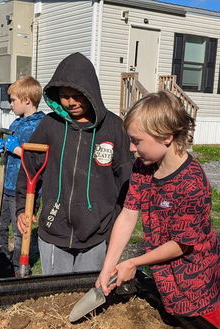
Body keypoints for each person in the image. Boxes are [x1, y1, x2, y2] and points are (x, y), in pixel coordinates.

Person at [96, 91, 220, 329]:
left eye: (137, 141)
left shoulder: (192, 182)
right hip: (166, 274)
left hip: (197, 281)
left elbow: (181, 244)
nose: (132, 148)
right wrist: (108, 266)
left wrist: (133, 262)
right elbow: (128, 214)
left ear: (166, 137)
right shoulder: (143, 167)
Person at [16, 52, 133, 275]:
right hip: (53, 229)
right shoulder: (50, 125)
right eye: (64, 95)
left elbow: (126, 182)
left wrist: (114, 224)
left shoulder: (114, 128)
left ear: (91, 91)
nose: (70, 102)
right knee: (53, 297)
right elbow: (28, 167)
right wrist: (23, 208)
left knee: (83, 294)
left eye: (77, 95)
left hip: (96, 233)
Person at [0, 76, 45, 276]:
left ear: (27, 99)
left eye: (13, 100)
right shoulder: (18, 122)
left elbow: (39, 158)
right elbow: (11, 146)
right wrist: (2, 148)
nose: (11, 104)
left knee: (20, 230)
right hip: (7, 184)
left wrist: (18, 150)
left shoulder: (41, 125)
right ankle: (2, 263)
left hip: (25, 189)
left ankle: (20, 268)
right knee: (0, 227)